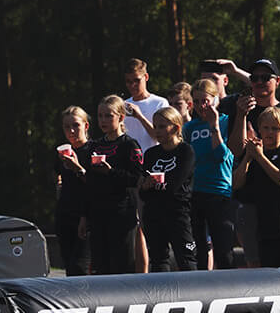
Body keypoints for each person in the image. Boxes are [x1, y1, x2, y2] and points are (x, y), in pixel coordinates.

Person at [227, 58, 280, 265]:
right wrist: (242, 115)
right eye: (255, 78)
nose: (259, 81)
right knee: (255, 265)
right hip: (251, 201)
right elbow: (235, 151)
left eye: (265, 77)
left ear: (277, 81)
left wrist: (258, 150)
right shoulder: (241, 111)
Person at [83, 95, 146, 274]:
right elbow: (90, 183)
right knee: (99, 265)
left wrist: (111, 172)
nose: (103, 120)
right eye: (100, 116)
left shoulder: (129, 145)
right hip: (97, 213)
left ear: (120, 117)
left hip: (121, 212)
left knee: (121, 264)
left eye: (109, 116)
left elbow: (137, 179)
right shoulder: (94, 146)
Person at [185, 77, 237, 270]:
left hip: (220, 192)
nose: (201, 105)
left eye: (205, 100)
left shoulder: (226, 122)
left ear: (215, 99)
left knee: (224, 250)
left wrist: (214, 125)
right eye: (196, 101)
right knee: (199, 249)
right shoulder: (190, 127)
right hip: (196, 192)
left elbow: (222, 156)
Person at [141, 107, 196, 271]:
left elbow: (175, 186)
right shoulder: (151, 154)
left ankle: (192, 294)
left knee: (186, 258)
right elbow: (143, 193)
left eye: (162, 126)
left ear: (176, 128)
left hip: (178, 213)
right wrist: (145, 185)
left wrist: (155, 186)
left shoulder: (185, 151)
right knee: (158, 260)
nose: (157, 131)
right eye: (156, 126)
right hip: (154, 214)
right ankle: (162, 296)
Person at [53, 105, 93, 275]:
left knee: (80, 265)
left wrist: (77, 167)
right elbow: (59, 179)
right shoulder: (61, 153)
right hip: (65, 214)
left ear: (86, 126)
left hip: (86, 215)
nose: (71, 130)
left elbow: (95, 185)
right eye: (66, 126)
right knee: (69, 265)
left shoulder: (93, 150)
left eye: (76, 125)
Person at [120, 58, 170, 154]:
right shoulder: (123, 105)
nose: (132, 85)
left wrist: (140, 117)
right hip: (129, 160)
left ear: (146, 77)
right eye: (128, 81)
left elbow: (163, 137)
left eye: (136, 80)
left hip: (153, 158)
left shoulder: (160, 103)